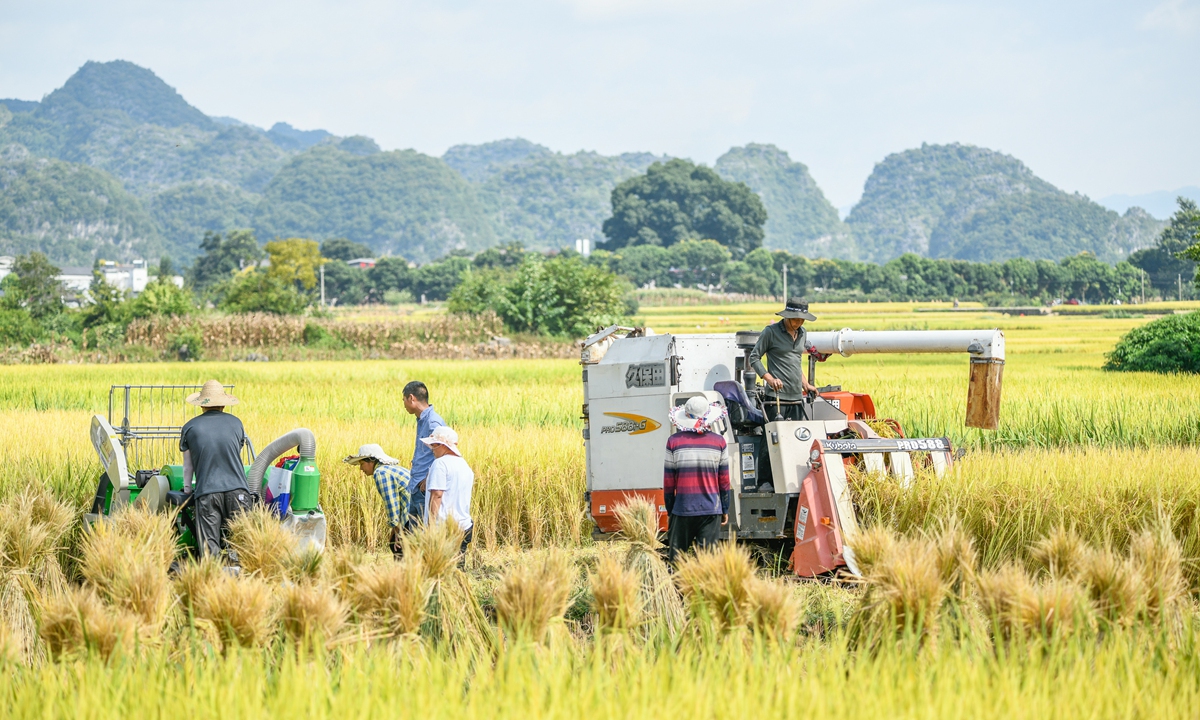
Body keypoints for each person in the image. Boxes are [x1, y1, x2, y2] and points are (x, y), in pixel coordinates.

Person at [179, 380, 252, 560]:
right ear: (223, 404)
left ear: (201, 405)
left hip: (208, 493)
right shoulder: (236, 423)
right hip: (238, 491)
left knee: (210, 549)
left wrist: (187, 490)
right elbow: (233, 452)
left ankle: (213, 574)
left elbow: (188, 466)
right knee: (244, 546)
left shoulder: (190, 427)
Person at [663, 396, 731, 565]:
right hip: (711, 510)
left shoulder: (674, 442)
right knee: (707, 564)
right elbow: (724, 481)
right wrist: (725, 508)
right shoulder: (719, 442)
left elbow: (669, 482)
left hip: (682, 509)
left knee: (677, 562)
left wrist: (670, 510)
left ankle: (678, 584)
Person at [749, 297, 821, 421]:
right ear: (787, 316)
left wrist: (805, 384)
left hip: (797, 397)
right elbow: (754, 357)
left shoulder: (802, 333)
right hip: (776, 397)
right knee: (774, 433)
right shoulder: (770, 332)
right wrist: (770, 380)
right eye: (795, 319)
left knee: (797, 432)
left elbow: (795, 362)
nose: (799, 323)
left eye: (802, 320)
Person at [343, 443, 412, 557]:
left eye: (362, 464)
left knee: (398, 547)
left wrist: (397, 532)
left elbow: (391, 503)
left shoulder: (380, 473)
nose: (361, 468)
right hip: (416, 513)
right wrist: (395, 529)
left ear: (371, 461)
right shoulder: (390, 469)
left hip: (411, 514)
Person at [420, 426, 474, 565]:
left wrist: (431, 526)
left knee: (440, 570)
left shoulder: (440, 464)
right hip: (464, 526)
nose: (432, 450)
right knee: (457, 568)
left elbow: (437, 495)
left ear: (442, 445)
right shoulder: (465, 466)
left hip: (443, 529)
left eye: (433, 445)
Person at [403, 380, 446, 529]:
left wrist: (428, 478)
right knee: (413, 535)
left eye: (404, 399)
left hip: (424, 489)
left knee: (424, 533)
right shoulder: (422, 420)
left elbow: (443, 451)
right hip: (416, 486)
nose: (403, 404)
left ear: (411, 398)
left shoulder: (433, 422)